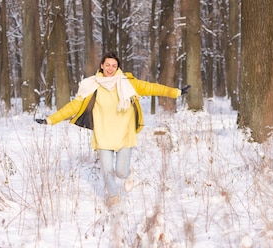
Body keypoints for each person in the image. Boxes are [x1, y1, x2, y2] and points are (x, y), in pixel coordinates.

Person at [36, 52, 190, 206]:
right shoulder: (91, 86)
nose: (110, 68)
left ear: (118, 68)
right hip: (104, 135)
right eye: (107, 65)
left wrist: (176, 92)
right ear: (102, 66)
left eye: (114, 66)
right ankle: (114, 197)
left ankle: (129, 174)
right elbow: (72, 106)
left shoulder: (127, 83)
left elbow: (152, 88)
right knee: (107, 171)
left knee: (121, 172)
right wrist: (50, 120)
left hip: (124, 135)